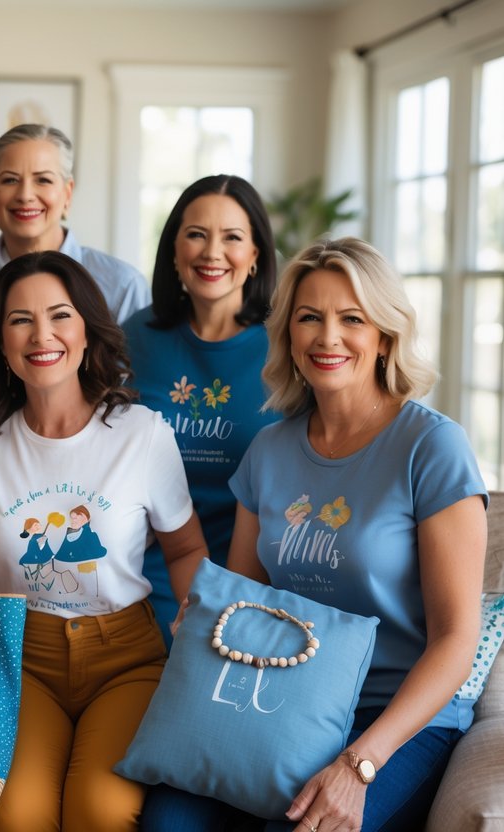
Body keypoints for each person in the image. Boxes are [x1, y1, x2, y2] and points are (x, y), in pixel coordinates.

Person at [140, 238, 487, 832]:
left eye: (352, 319)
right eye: (309, 317)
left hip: (393, 720)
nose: (328, 337)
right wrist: (200, 620)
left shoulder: (432, 448)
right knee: (168, 822)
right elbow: (245, 597)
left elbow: (456, 639)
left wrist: (358, 764)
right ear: (289, 335)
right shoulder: (269, 450)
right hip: (277, 699)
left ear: (384, 334)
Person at [0, 250, 208, 830]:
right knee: (14, 815)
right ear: (2, 342)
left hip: (127, 659)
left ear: (86, 331)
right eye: (20, 320)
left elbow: (184, 549)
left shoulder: (141, 433)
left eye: (59, 316)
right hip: (22, 658)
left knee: (102, 811)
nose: (42, 335)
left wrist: (197, 624)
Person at [122, 174, 279, 645]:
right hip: (142, 579)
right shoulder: (133, 337)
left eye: (232, 237)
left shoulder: (287, 347)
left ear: (255, 256)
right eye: (196, 235)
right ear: (174, 250)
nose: (212, 252)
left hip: (253, 577)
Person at [0, 124, 149, 365]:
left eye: (43, 180)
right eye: (10, 180)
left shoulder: (123, 286)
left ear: (67, 193)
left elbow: (135, 385)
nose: (25, 195)